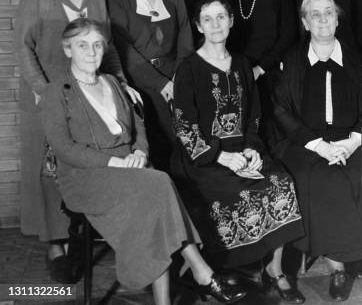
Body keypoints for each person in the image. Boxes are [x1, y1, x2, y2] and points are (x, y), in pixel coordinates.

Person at [39, 18, 246, 305]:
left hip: (134, 171)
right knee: (158, 183)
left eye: (97, 45)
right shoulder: (55, 92)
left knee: (152, 203)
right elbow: (63, 148)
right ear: (68, 50)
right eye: (82, 45)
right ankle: (202, 272)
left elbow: (139, 128)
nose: (91, 51)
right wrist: (116, 163)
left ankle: (179, 291)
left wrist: (140, 153)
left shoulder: (112, 83)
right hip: (84, 177)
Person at [14, 0, 138, 283]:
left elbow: (108, 46)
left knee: (85, 160)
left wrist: (121, 84)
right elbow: (23, 48)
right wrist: (44, 91)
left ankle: (80, 230)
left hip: (88, 97)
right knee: (48, 168)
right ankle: (55, 242)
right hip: (47, 95)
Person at [171, 0, 305, 304]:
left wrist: (252, 150)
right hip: (203, 157)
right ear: (198, 26)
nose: (215, 24)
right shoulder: (188, 68)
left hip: (243, 149)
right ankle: (220, 273)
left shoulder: (244, 63)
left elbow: (254, 116)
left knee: (280, 182)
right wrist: (221, 156)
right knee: (229, 190)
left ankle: (274, 269)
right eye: (208, 19)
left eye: (221, 17)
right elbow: (185, 126)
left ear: (231, 21)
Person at [273, 0, 362, 302]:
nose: (323, 19)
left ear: (338, 19)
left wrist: (352, 141)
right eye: (315, 14)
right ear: (305, 22)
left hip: (351, 137)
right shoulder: (290, 60)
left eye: (328, 13)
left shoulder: (358, 57)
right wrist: (320, 146)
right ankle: (338, 264)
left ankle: (357, 252)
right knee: (321, 179)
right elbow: (281, 110)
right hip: (305, 141)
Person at [108, 0, 194, 172]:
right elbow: (123, 48)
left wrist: (179, 75)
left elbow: (185, 33)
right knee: (158, 143)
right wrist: (160, 84)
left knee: (187, 139)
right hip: (141, 81)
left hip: (177, 74)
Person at [210, 0, 296, 146]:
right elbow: (212, 32)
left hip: (270, 73)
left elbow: (288, 34)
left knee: (271, 134)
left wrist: (260, 68)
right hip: (230, 71)